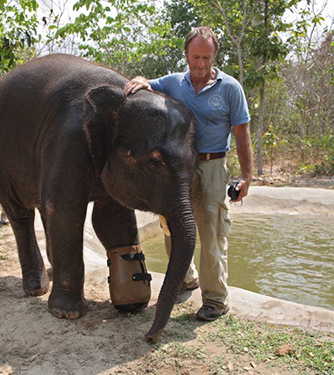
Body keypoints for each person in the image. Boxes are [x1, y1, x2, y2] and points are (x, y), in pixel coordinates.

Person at [124, 26, 253, 321]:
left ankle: (216, 300)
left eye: (207, 58)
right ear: (186, 54)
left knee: (210, 234)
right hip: (178, 169)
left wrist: (246, 176)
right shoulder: (173, 82)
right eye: (196, 57)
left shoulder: (230, 88)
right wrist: (141, 80)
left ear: (214, 56)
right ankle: (185, 278)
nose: (201, 64)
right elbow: (148, 84)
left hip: (211, 167)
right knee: (172, 226)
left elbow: (242, 132)